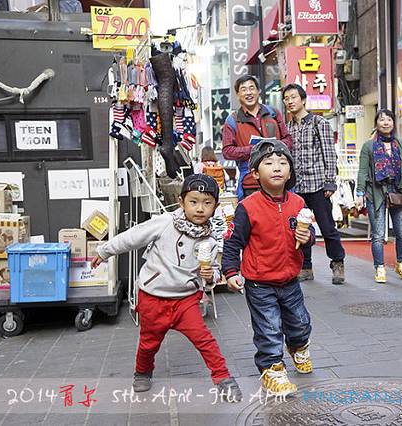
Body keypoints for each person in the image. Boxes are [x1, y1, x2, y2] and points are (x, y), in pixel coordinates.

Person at [91, 174, 242, 401]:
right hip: (153, 296)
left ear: (215, 207)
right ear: (182, 202)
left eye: (207, 203)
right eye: (193, 201)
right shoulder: (165, 222)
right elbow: (133, 237)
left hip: (186, 299)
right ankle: (142, 372)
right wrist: (105, 251)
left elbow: (212, 273)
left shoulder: (210, 240)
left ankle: (223, 378)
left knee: (204, 339)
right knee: (148, 343)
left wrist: (210, 276)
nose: (200, 208)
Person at [222, 139, 315, 397]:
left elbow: (309, 236)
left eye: (283, 163)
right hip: (259, 283)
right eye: (269, 163)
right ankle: (272, 370)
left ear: (290, 171)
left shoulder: (298, 203)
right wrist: (230, 271)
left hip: (290, 280)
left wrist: (308, 236)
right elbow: (233, 241)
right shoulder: (247, 207)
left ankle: (298, 347)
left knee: (300, 323)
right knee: (269, 328)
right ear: (255, 173)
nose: (277, 167)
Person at [282, 83, 346, 285]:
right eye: (286, 98)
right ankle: (306, 266)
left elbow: (329, 153)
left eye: (293, 97)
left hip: (317, 184)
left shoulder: (319, 122)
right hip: (297, 187)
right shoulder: (287, 128)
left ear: (303, 99)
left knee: (327, 228)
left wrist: (330, 182)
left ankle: (337, 263)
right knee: (301, 227)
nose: (290, 101)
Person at [355, 109, 402, 283]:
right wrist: (359, 193)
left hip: (399, 190)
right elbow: (362, 171)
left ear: (393, 123)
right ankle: (379, 267)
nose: (386, 122)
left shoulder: (401, 144)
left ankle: (401, 263)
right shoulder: (368, 146)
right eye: (382, 119)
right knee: (378, 235)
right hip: (376, 192)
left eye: (389, 119)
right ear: (376, 123)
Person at [222, 75, 292, 200]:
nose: (248, 92)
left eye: (251, 88)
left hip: (278, 180)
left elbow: (288, 140)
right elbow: (227, 151)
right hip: (251, 182)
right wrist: (255, 149)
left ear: (258, 91)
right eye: (244, 89)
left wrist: (273, 147)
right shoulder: (232, 120)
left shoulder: (273, 113)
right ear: (237, 95)